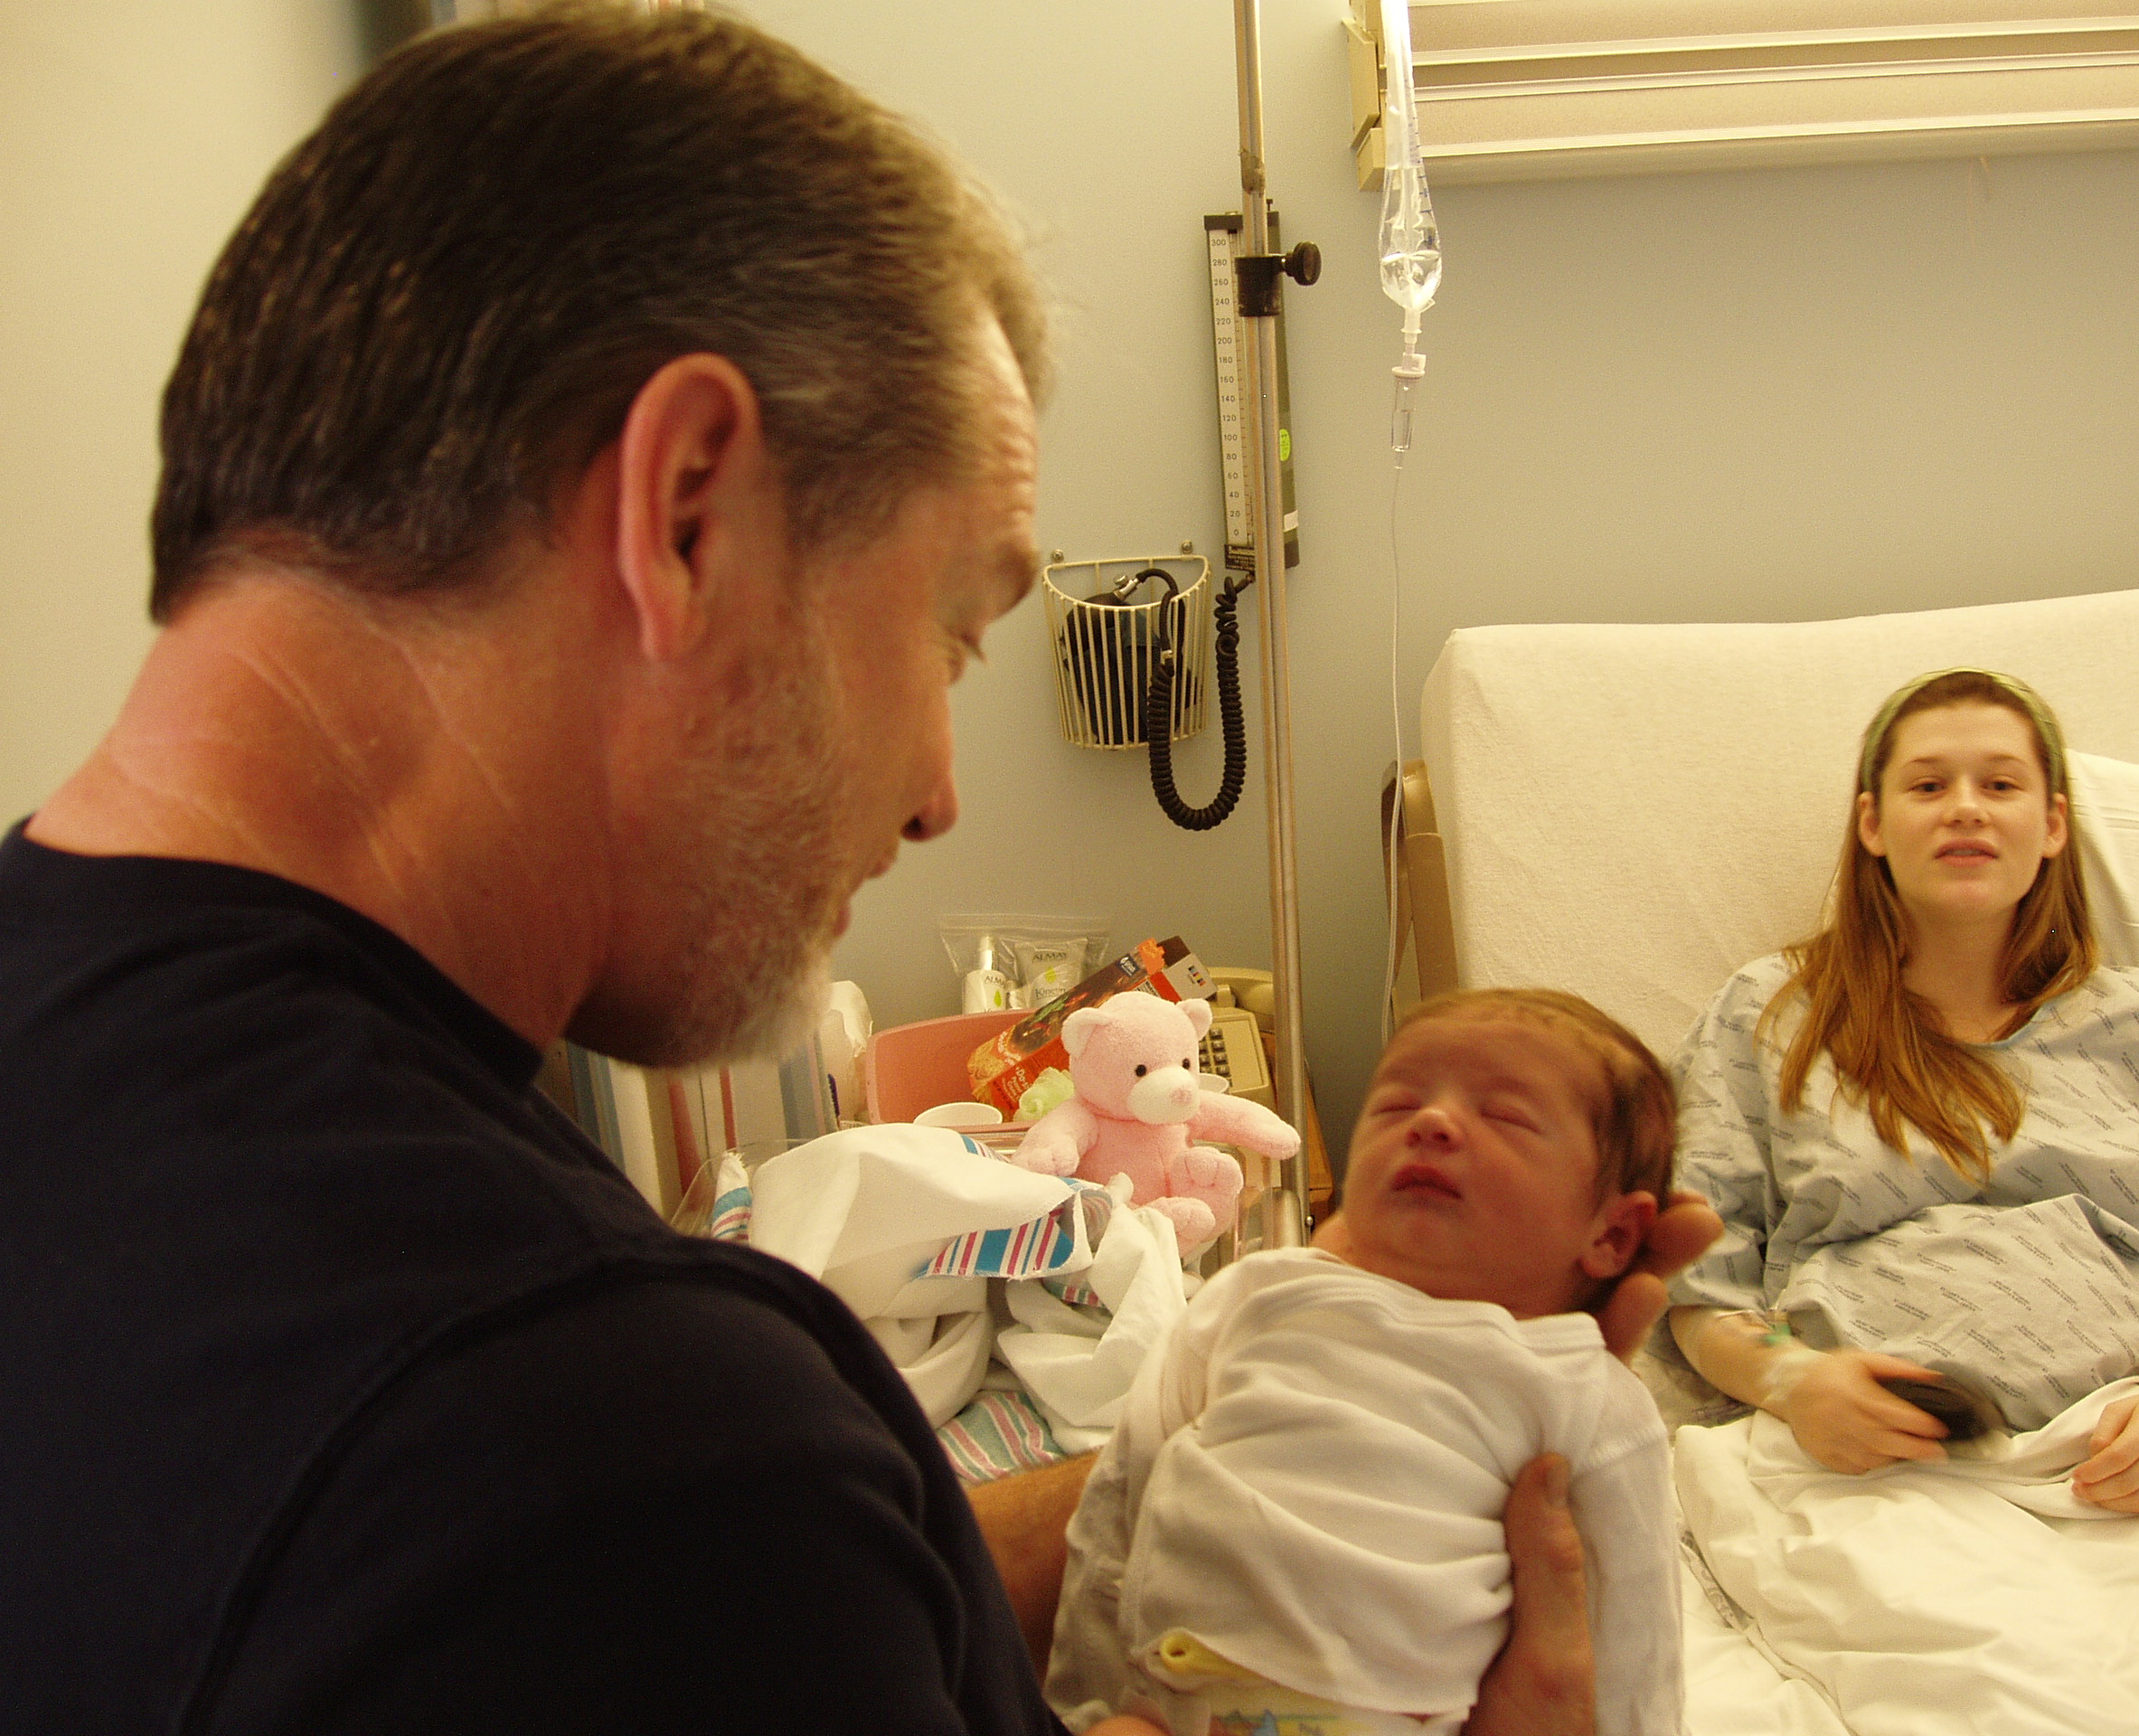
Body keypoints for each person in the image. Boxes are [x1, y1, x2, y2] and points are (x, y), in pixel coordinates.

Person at [0, 10, 1720, 1733]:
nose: (938, 798)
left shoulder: (138, 1118)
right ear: (689, 511)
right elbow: (707, 1572)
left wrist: (1338, 1427)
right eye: (953, 631)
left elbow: (794, 1618)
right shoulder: (601, 1445)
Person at [1667, 667, 2139, 1515]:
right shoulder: (1772, 1018)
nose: (1966, 808)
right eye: (1928, 786)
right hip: (1857, 1471)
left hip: (2123, 1469)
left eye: (2001, 786)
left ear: (2052, 826)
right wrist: (1791, 1381)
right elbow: (1692, 1274)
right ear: (1872, 824)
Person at [1048, 989, 1685, 1736]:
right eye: (1396, 1103)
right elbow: (1128, 1483)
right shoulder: (1266, 1291)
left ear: (1612, 1235)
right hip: (1170, 1697)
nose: (1431, 1121)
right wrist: (1081, 1700)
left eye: (1507, 1115)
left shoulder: (1580, 1387)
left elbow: (1632, 1633)